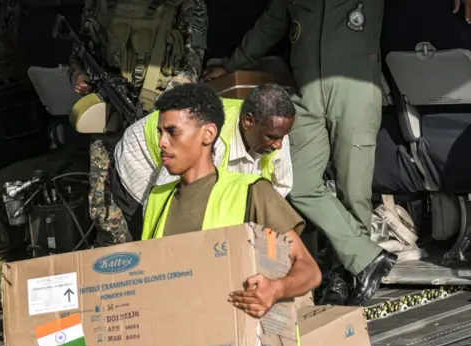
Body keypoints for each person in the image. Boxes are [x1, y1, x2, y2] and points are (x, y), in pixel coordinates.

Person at [142, 83, 321, 346]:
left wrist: (275, 289)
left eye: (172, 132)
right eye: (161, 132)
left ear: (207, 134)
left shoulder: (252, 191)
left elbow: (309, 269)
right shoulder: (158, 199)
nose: (162, 142)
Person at [201, 0, 397, 306]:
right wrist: (231, 65)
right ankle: (365, 258)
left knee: (353, 190)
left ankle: (343, 273)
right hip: (307, 95)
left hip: (355, 92)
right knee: (300, 182)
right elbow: (268, 26)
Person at [68, 0, 209, 247]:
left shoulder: (185, 4)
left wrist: (164, 111)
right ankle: (119, 267)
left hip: (160, 120)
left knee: (164, 200)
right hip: (112, 112)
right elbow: (81, 48)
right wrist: (77, 74)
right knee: (104, 206)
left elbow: (193, 63)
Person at [114, 83, 295, 238]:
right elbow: (167, 202)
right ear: (248, 121)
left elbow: (276, 193)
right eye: (273, 137)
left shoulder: (276, 132)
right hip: (142, 161)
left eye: (282, 137)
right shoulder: (209, 140)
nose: (279, 145)